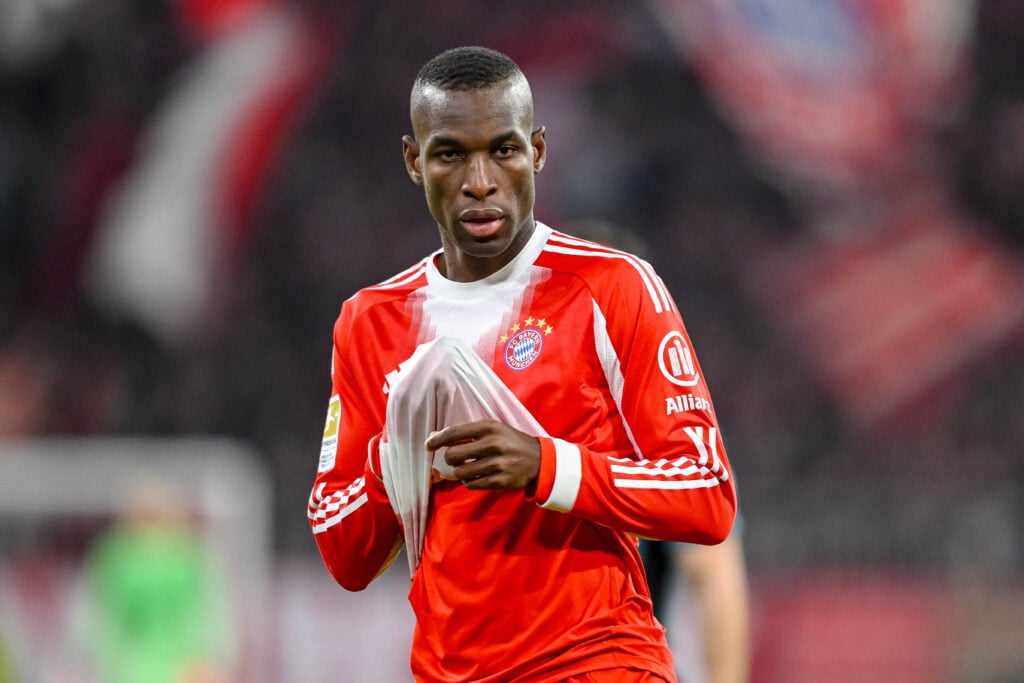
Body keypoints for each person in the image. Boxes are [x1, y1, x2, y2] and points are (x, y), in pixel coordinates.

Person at [307, 46, 737, 682]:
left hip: (597, 664)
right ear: (413, 161)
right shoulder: (371, 320)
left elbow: (707, 494)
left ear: (536, 150)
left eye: (503, 150)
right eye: (450, 154)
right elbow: (347, 558)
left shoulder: (610, 285)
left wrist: (546, 465)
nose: (479, 181)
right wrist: (398, 452)